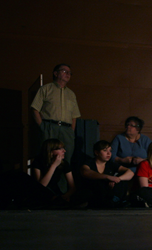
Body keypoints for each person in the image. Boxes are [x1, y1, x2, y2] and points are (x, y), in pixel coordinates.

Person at [30, 64, 80, 192]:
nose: (68, 74)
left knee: (65, 160)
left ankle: (63, 193)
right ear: (55, 73)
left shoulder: (71, 94)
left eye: (70, 72)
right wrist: (42, 126)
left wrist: (71, 131)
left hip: (66, 129)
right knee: (46, 156)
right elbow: (35, 108)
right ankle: (44, 191)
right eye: (64, 71)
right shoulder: (46, 89)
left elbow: (74, 115)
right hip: (49, 126)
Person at [79, 140, 133, 208]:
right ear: (96, 152)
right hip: (94, 194)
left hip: (109, 193)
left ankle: (116, 201)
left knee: (122, 181)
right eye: (105, 150)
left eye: (110, 151)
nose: (109, 153)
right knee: (98, 183)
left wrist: (118, 179)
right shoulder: (89, 162)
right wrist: (107, 177)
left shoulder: (110, 164)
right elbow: (85, 172)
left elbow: (130, 172)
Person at [30, 139, 77, 206]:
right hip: (42, 194)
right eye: (60, 149)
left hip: (55, 192)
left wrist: (66, 195)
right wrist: (54, 166)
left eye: (63, 148)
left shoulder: (64, 163)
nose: (64, 151)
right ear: (51, 151)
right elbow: (40, 187)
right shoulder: (38, 161)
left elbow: (72, 187)